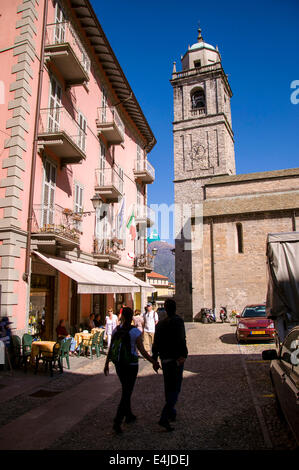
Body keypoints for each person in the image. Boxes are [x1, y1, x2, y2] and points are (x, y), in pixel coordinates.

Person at [104, 307, 160, 434]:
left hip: (119, 365)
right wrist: (153, 361)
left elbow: (111, 346)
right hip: (131, 364)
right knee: (127, 392)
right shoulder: (134, 332)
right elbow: (143, 351)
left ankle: (128, 415)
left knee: (125, 388)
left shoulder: (116, 329)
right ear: (132, 318)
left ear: (122, 317)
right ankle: (117, 421)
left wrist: (107, 363)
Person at [152, 299, 188, 432]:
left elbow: (155, 344)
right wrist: (184, 355)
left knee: (168, 387)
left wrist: (155, 359)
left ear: (165, 309)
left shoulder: (160, 324)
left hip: (165, 360)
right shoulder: (178, 321)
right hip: (176, 360)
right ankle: (164, 416)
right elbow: (181, 339)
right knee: (175, 388)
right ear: (175, 308)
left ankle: (171, 412)